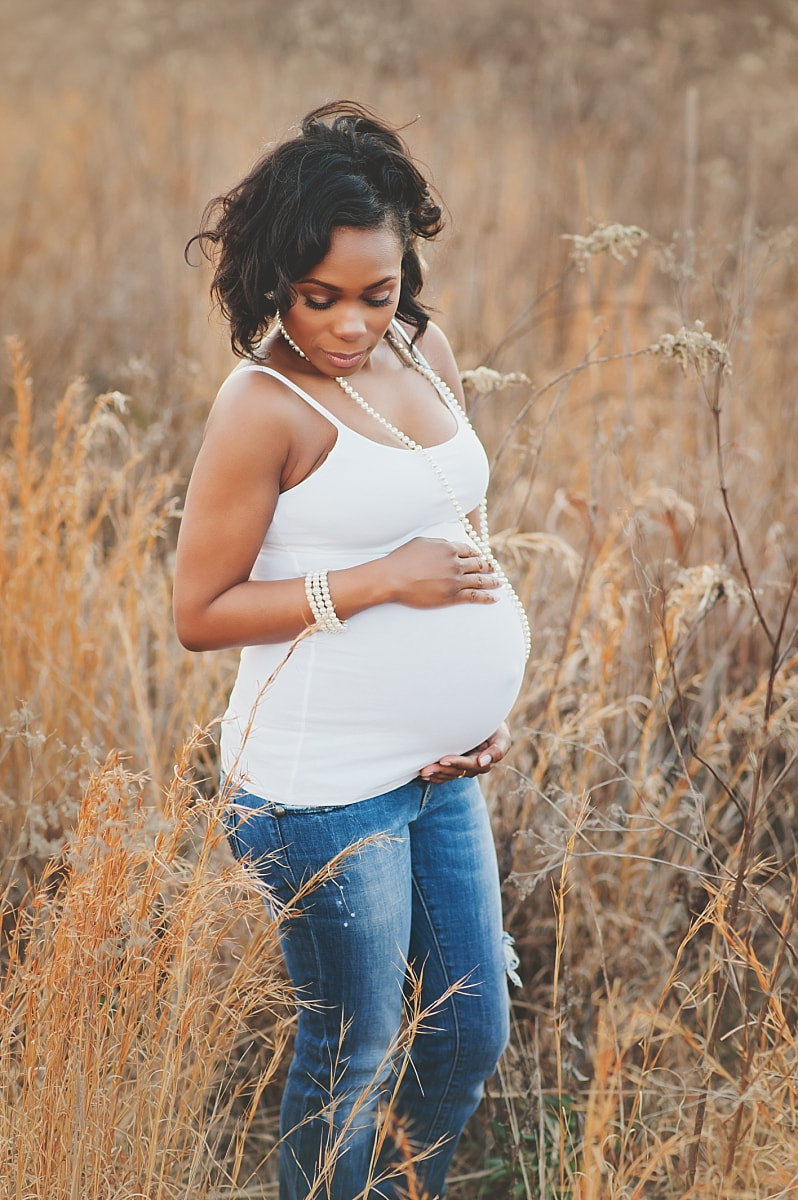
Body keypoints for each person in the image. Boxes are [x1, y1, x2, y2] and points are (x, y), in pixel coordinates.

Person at [173, 101, 529, 1200]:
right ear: (275, 276)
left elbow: (459, 537)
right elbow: (201, 610)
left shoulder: (425, 351)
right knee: (356, 1054)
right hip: (318, 785)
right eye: (318, 295)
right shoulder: (261, 405)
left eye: (376, 293)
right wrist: (378, 583)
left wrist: (479, 699)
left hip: (436, 769)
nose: (348, 324)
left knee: (471, 1031)